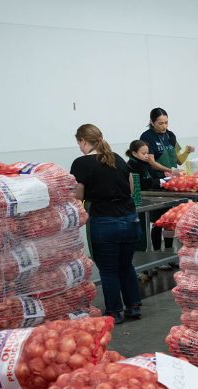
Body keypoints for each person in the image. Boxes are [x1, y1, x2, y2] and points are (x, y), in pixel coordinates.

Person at [70, 124, 142, 325]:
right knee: (126, 265)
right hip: (129, 218)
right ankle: (134, 306)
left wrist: (83, 206)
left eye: (79, 143)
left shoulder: (81, 163)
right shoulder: (116, 158)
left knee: (108, 269)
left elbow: (78, 195)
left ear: (83, 141)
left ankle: (115, 311)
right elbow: (130, 187)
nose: (80, 147)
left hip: (104, 221)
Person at [139, 108, 194, 178]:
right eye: (160, 123)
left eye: (166, 122)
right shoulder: (146, 137)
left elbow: (179, 161)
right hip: (158, 180)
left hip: (173, 178)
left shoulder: (171, 135)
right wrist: (170, 171)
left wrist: (187, 152)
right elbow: (151, 163)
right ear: (152, 122)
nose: (164, 126)